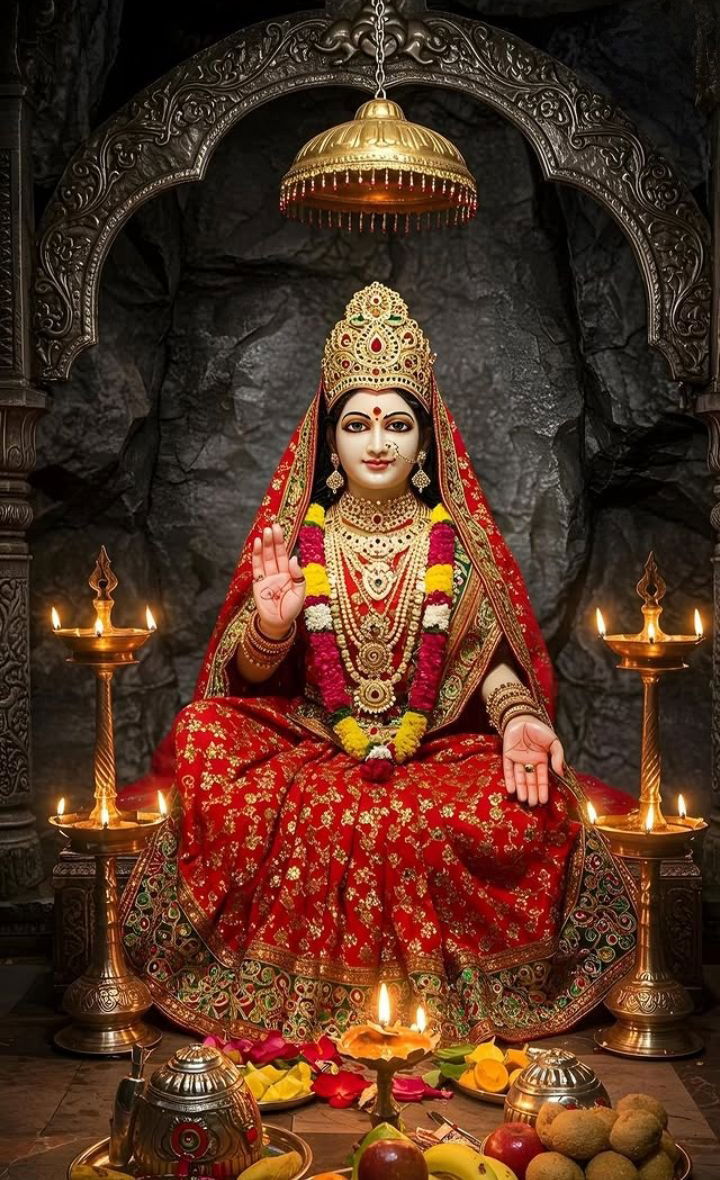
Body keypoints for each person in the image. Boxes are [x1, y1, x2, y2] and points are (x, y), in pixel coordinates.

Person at [121, 282, 637, 1043]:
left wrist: (518, 719)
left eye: (398, 424)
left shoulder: (455, 548)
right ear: (329, 442)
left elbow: (489, 663)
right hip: (312, 742)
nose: (378, 442)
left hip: (434, 750)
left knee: (521, 806)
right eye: (357, 424)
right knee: (204, 730)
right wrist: (272, 625)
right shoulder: (300, 545)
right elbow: (245, 682)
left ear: (425, 442)